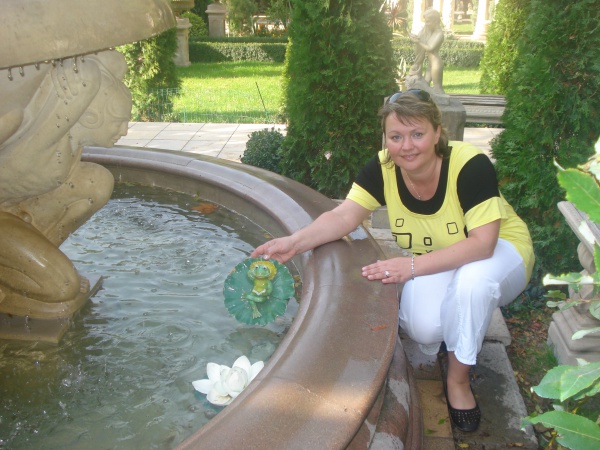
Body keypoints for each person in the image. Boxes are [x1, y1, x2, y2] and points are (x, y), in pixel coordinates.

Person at [251, 89, 535, 432]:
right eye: (396, 136)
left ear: (437, 132)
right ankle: (463, 329)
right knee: (422, 327)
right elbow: (343, 216)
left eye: (417, 134)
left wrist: (411, 267)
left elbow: (483, 245)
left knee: (472, 285)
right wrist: (293, 243)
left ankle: (458, 380)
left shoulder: (469, 165)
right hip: (445, 257)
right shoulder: (384, 167)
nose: (407, 146)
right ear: (386, 138)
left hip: (501, 251)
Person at [406, 9, 445, 93]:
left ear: (435, 21)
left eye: (428, 21)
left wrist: (418, 42)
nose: (426, 24)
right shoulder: (432, 32)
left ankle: (441, 101)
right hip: (431, 65)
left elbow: (430, 48)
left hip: (436, 64)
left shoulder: (439, 34)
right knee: (425, 85)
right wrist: (417, 38)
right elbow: (425, 40)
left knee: (438, 89)